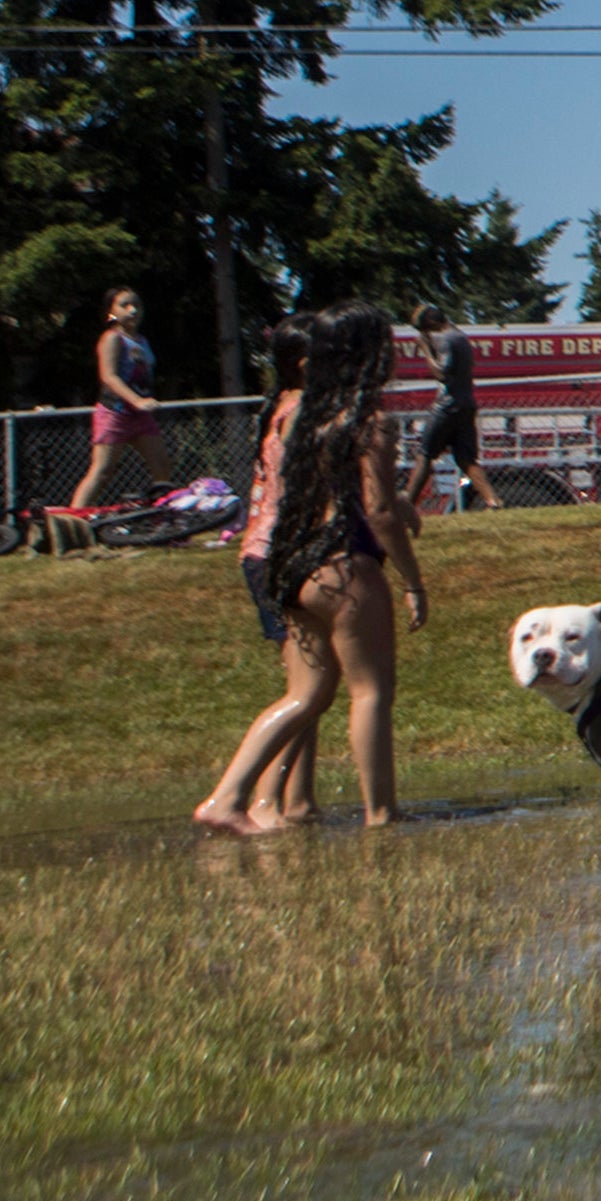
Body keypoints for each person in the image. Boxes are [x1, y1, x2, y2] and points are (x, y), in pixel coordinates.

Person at [194, 304, 427, 834]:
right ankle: (382, 813)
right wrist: (413, 581)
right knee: (370, 692)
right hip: (347, 570)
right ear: (371, 357)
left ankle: (227, 798)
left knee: (305, 696)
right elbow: (380, 512)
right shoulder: (369, 422)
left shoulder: (301, 417)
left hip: (298, 569)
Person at [223, 317, 318, 829]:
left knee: (310, 683)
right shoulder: (300, 410)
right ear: (305, 363)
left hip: (263, 553)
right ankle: (261, 803)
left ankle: (298, 803)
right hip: (276, 555)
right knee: (304, 691)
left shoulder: (281, 405)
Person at [67, 286, 172, 510]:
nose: (133, 310)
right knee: (102, 471)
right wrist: (136, 400)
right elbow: (109, 377)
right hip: (115, 413)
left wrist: (143, 403)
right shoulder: (112, 339)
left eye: (137, 305)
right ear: (111, 310)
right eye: (125, 305)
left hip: (140, 416)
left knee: (162, 467)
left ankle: (165, 515)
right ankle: (72, 520)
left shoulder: (142, 340)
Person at [409, 301, 496, 511]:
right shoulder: (461, 337)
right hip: (467, 404)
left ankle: (407, 504)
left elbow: (442, 373)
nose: (426, 333)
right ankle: (493, 501)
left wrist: (425, 351)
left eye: (425, 329)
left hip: (447, 406)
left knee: (425, 454)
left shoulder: (447, 339)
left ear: (431, 321)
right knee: (466, 459)